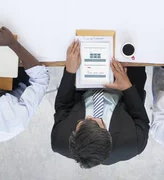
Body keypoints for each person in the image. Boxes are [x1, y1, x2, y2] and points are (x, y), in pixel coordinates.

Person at [51, 40, 149, 168]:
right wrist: (126, 86)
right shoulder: (134, 144)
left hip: (85, 86)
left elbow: (63, 105)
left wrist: (70, 72)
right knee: (133, 45)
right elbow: (139, 116)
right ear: (108, 135)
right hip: (125, 90)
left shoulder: (60, 140)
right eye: (98, 121)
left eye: (85, 120)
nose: (91, 116)